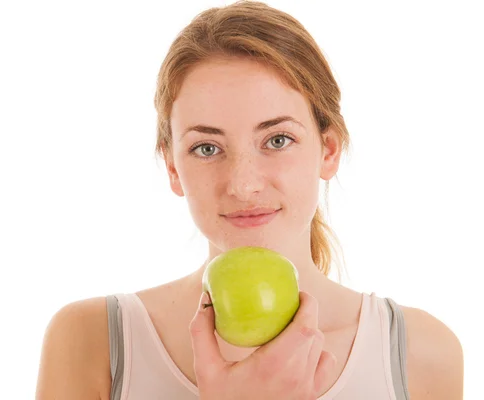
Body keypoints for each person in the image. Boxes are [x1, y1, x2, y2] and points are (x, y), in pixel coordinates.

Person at [34, 1, 464, 399]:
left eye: (277, 139)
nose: (243, 185)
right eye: (206, 148)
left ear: (328, 150)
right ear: (172, 168)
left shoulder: (420, 353)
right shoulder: (93, 341)